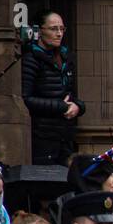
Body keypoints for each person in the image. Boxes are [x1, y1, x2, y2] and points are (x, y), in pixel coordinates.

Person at [21, 12, 84, 168]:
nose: (59, 34)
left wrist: (78, 106)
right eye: (53, 29)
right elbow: (26, 98)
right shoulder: (31, 58)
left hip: (65, 134)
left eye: (62, 29)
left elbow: (71, 94)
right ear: (40, 31)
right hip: (43, 134)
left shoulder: (66, 58)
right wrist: (61, 107)